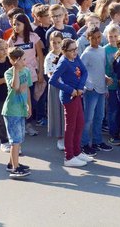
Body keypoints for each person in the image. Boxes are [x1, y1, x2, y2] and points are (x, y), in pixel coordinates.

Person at [49, 38, 91, 168]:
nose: (75, 52)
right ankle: (69, 156)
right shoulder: (64, 63)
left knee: (80, 123)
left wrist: (79, 87)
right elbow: (53, 80)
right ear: (64, 51)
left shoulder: (76, 57)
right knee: (71, 126)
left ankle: (77, 152)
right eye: (71, 50)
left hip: (77, 95)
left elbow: (84, 72)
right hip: (69, 98)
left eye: (76, 49)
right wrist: (71, 90)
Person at [80, 27, 112, 155]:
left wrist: (105, 78)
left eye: (98, 37)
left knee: (100, 116)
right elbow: (81, 72)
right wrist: (88, 85)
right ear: (88, 38)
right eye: (93, 38)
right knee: (88, 118)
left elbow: (100, 69)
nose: (96, 40)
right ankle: (84, 143)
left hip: (101, 88)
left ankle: (97, 141)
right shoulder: (86, 53)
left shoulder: (102, 51)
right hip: (91, 90)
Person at [3, 47, 32, 178]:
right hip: (11, 111)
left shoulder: (26, 71)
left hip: (21, 109)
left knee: (19, 139)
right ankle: (15, 168)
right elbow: (15, 87)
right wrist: (15, 69)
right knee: (15, 140)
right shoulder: (9, 73)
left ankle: (11, 163)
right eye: (23, 59)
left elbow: (27, 91)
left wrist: (29, 106)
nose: (25, 61)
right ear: (15, 61)